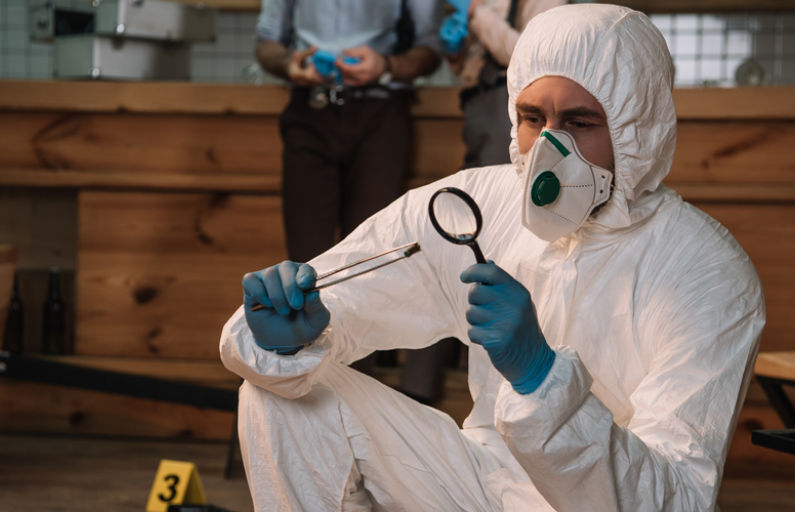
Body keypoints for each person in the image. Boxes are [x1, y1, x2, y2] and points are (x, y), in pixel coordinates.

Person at [223, 4, 765, 511]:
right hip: (482, 482)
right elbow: (347, 290)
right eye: (532, 117)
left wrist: (543, 381)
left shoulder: (706, 271)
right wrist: (296, 330)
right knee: (281, 390)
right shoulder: (477, 205)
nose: (549, 149)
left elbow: (676, 499)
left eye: (579, 123)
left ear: (636, 129)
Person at [254, 0, 444, 376]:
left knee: (368, 262)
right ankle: (305, 383)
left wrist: (387, 65)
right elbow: (267, 41)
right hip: (309, 112)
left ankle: (356, 387)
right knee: (306, 264)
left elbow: (430, 47)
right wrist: (288, 64)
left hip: (380, 114)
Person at [440, 0, 565, 168]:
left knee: (498, 179)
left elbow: (529, 57)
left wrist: (476, 11)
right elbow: (468, 66)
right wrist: (454, 54)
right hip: (475, 104)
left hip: (507, 104)